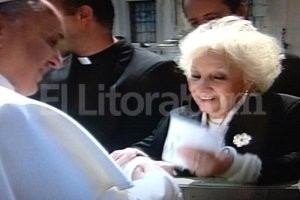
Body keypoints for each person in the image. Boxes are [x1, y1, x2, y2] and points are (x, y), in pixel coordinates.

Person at [0, 0, 182, 199]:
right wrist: (157, 180)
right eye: (50, 39)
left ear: (84, 15)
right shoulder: (13, 110)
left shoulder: (154, 71)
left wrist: (137, 159)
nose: (56, 60)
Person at [111, 16, 300, 184]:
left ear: (248, 81)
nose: (201, 87)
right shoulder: (179, 115)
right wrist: (137, 158)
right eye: (195, 75)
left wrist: (229, 166)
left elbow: (293, 165)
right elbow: (147, 149)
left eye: (218, 77)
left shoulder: (284, 111)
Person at [32, 0, 188, 152]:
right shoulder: (48, 74)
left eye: (49, 16)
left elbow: (169, 145)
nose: (40, 27)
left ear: (83, 15)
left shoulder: (156, 73)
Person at [182, 0, 300, 97]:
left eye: (212, 19)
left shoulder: (288, 70)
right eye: (195, 23)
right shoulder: (176, 76)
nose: (203, 29)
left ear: (240, 13)